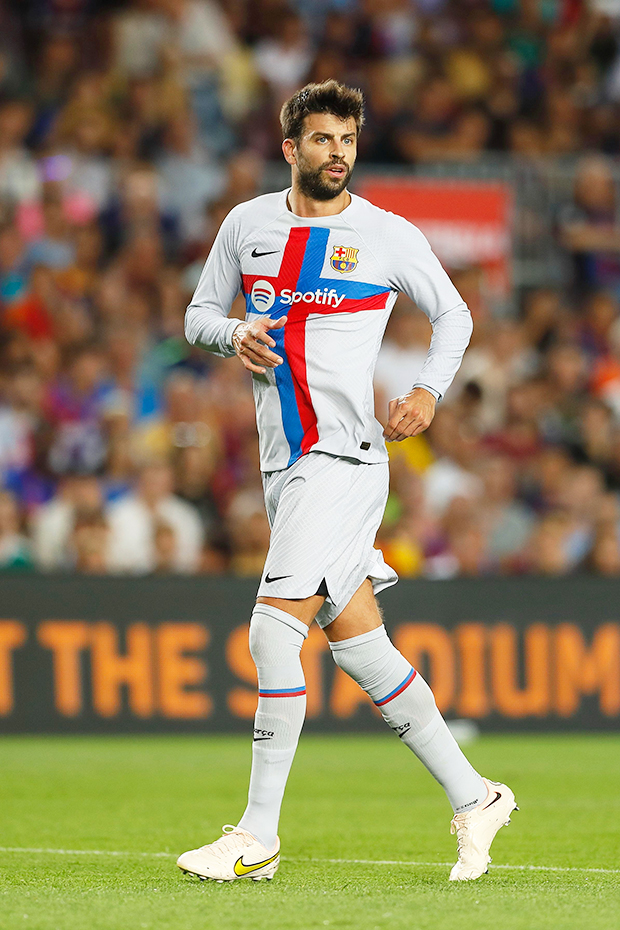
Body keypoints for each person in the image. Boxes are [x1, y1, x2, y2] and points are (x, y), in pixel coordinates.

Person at [178, 80, 517, 885]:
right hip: (284, 464)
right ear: (290, 147)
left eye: (348, 140)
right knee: (362, 649)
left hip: (344, 458)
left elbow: (456, 314)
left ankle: (257, 835)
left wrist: (428, 391)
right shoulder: (247, 225)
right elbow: (196, 316)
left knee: (272, 633)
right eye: (323, 139)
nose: (338, 153)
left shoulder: (386, 235)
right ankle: (477, 796)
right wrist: (234, 333)